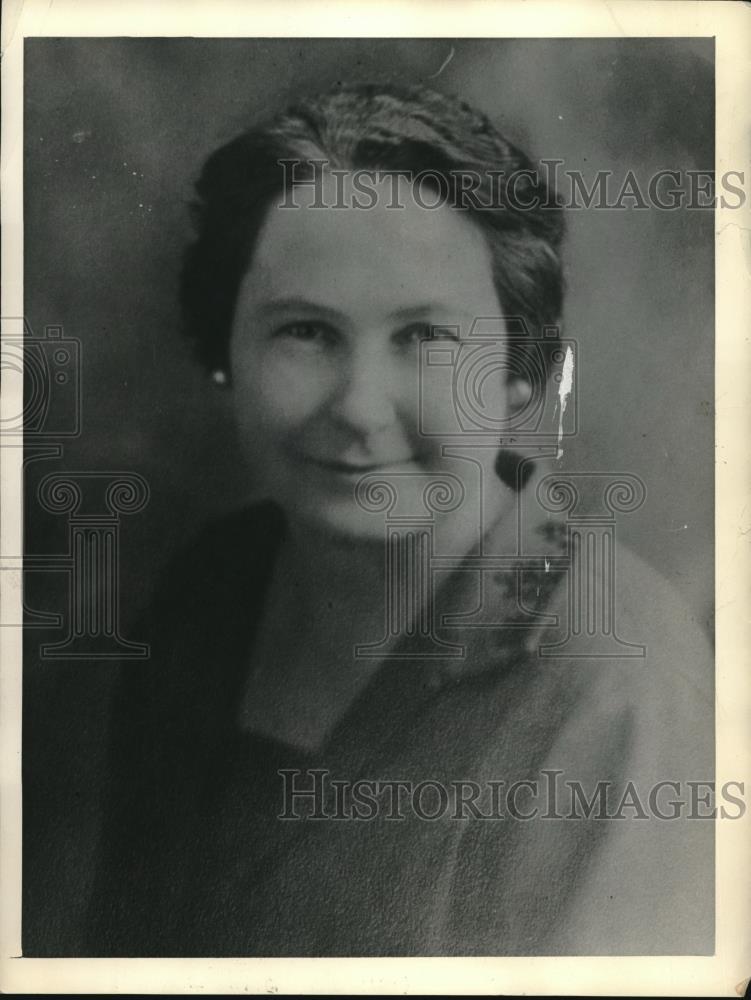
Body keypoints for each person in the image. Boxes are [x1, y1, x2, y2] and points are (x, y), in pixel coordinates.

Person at [86, 82, 713, 956]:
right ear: (223, 351)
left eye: (423, 338)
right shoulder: (209, 588)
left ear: (518, 374)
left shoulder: (617, 690)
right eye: (304, 331)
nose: (359, 406)